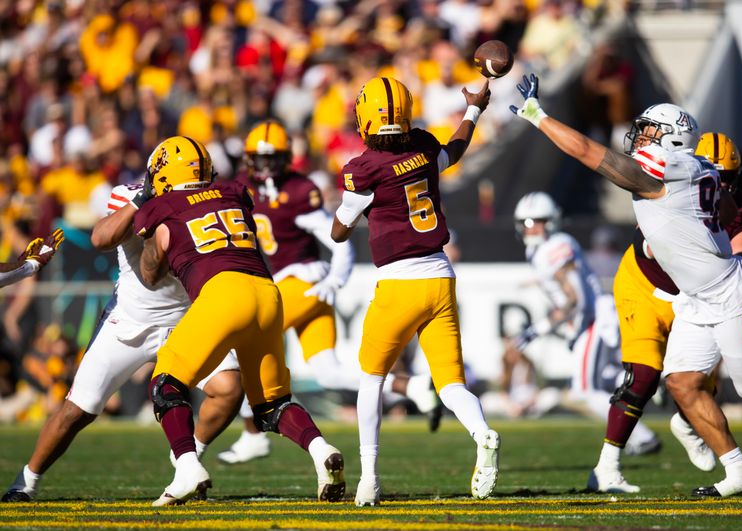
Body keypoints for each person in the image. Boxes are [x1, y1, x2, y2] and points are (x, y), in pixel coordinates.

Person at [510, 73, 742, 496]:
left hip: (731, 294)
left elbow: (589, 152)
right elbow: (728, 205)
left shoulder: (665, 171)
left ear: (675, 139)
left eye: (649, 132)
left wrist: (538, 116)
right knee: (681, 384)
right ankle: (739, 471)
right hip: (697, 299)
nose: (640, 137)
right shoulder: (699, 168)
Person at [132, 136, 344, 506]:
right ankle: (320, 449)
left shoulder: (163, 205)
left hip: (223, 293)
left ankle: (186, 467)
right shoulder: (233, 193)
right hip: (267, 291)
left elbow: (150, 273)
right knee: (273, 403)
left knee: (167, 383)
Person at [1, 182, 242, 503]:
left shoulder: (208, 201)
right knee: (78, 410)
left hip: (188, 318)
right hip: (129, 321)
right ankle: (26, 481)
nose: (200, 182)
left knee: (229, 389)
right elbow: (103, 240)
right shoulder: (130, 195)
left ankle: (187, 461)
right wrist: (143, 205)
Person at [217, 120, 440, 465]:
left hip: (303, 282)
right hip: (296, 286)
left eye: (272, 159)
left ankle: (251, 434)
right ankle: (409, 387)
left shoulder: (298, 190)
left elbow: (338, 241)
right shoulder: (244, 186)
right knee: (328, 371)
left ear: (286, 158)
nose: (264, 167)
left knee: (246, 345)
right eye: (258, 160)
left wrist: (335, 280)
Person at [331, 76, 499, 506]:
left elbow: (337, 232)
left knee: (371, 380)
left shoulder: (362, 168)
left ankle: (369, 477)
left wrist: (367, 208)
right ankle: (482, 432)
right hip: (441, 277)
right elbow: (456, 149)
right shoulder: (423, 146)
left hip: (399, 283)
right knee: (450, 384)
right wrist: (473, 109)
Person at [584, 131, 742, 493]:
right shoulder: (675, 187)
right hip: (645, 285)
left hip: (695, 296)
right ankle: (606, 468)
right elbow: (653, 243)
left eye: (727, 179)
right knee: (644, 376)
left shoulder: (735, 204)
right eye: (716, 176)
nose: (720, 186)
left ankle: (686, 422)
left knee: (696, 385)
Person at [508, 192, 659, 458]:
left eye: (537, 221)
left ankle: (642, 434)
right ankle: (647, 386)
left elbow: (574, 299)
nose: (531, 228)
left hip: (592, 320)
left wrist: (537, 329)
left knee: (584, 391)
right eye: (527, 222)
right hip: (589, 319)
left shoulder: (555, 247)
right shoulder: (539, 250)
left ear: (551, 221)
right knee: (603, 381)